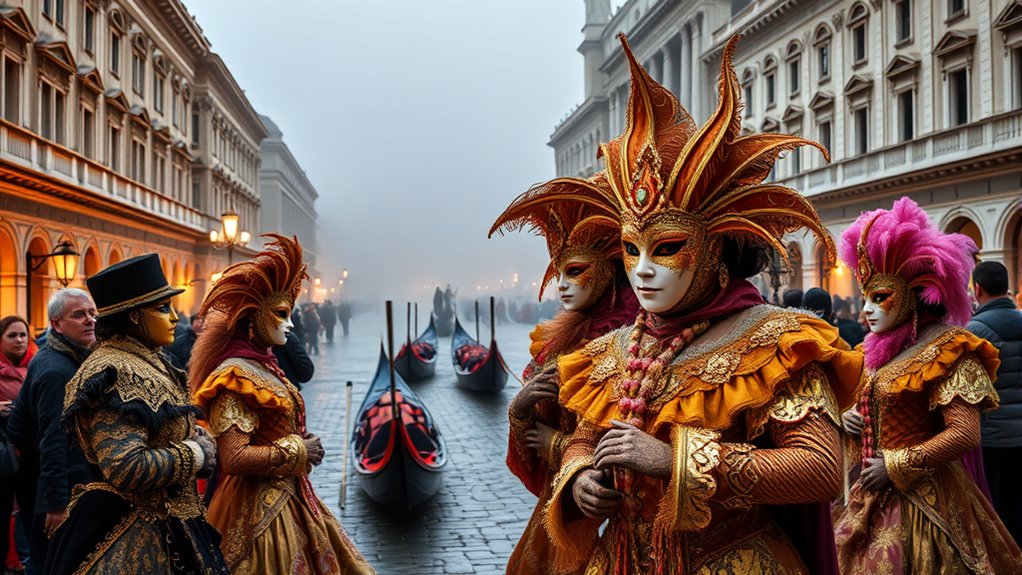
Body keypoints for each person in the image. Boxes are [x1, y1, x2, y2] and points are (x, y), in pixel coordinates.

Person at [541, 35, 861, 574]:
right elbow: (584, 439)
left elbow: (821, 467)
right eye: (630, 249)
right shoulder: (617, 350)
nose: (641, 269)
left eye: (666, 248)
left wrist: (676, 460)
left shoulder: (776, 342)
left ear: (714, 248)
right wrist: (581, 480)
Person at [833, 198, 1022, 572]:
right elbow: (873, 408)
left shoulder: (951, 350)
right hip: (870, 496)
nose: (866, 309)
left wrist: (897, 465)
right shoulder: (876, 351)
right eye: (866, 297)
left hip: (927, 502)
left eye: (880, 297)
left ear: (913, 297)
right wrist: (850, 417)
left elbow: (965, 433)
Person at [190, 235, 373, 574]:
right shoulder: (234, 379)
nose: (290, 324)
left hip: (293, 494)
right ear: (253, 319)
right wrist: (298, 451)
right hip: (259, 511)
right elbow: (234, 457)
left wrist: (298, 442)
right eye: (281, 314)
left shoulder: (263, 365)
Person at [490, 171, 640, 574]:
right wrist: (521, 408)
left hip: (620, 521)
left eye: (575, 271)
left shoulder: (636, 340)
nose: (561, 286)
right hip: (564, 504)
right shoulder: (560, 340)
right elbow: (533, 441)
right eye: (558, 274)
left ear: (609, 269)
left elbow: (630, 436)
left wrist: (557, 445)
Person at [41, 255, 227, 574]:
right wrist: (194, 454)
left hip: (177, 522)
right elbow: (126, 467)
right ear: (134, 317)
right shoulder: (112, 371)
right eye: (163, 309)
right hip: (136, 533)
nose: (174, 319)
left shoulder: (150, 359)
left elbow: (160, 429)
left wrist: (194, 438)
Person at [6, 290, 96, 573]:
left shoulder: (58, 357)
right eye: (78, 315)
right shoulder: (57, 369)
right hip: (59, 492)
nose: (90, 321)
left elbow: (19, 425)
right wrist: (55, 503)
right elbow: (54, 440)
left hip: (49, 484)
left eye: (92, 313)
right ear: (56, 325)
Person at [967, 260, 1022, 545]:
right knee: (1018, 506)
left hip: (993, 437)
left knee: (994, 508)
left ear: (978, 289)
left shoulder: (974, 330)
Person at [0, 315, 37, 570]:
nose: (19, 340)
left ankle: (23, 561)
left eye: (23, 334)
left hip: (29, 453)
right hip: (2, 455)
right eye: (12, 335)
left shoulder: (37, 363)